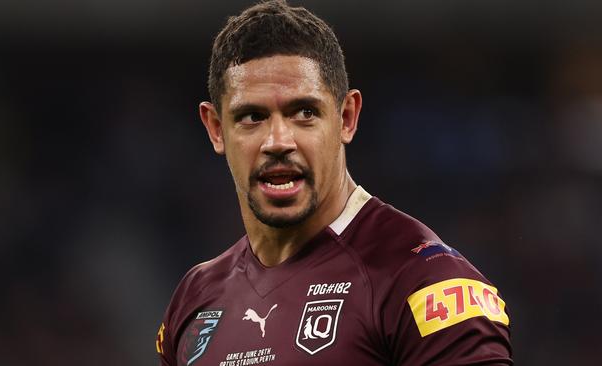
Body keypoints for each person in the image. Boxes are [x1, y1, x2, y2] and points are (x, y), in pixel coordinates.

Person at [156, 1, 512, 365]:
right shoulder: (195, 299)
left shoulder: (424, 281)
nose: (278, 141)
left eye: (304, 113)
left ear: (346, 117)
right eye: (252, 116)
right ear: (216, 129)